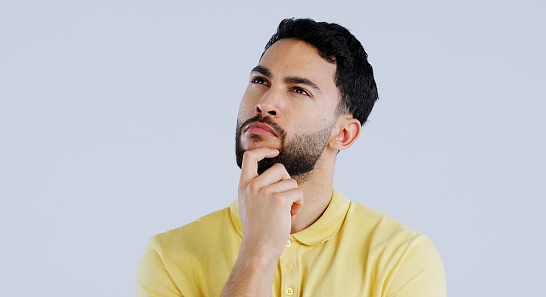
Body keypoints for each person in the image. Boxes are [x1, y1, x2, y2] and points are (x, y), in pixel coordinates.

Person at [137, 18, 446, 297]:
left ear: (344, 134)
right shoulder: (169, 257)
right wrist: (257, 252)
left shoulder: (402, 257)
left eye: (298, 90)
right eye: (260, 81)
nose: (266, 103)